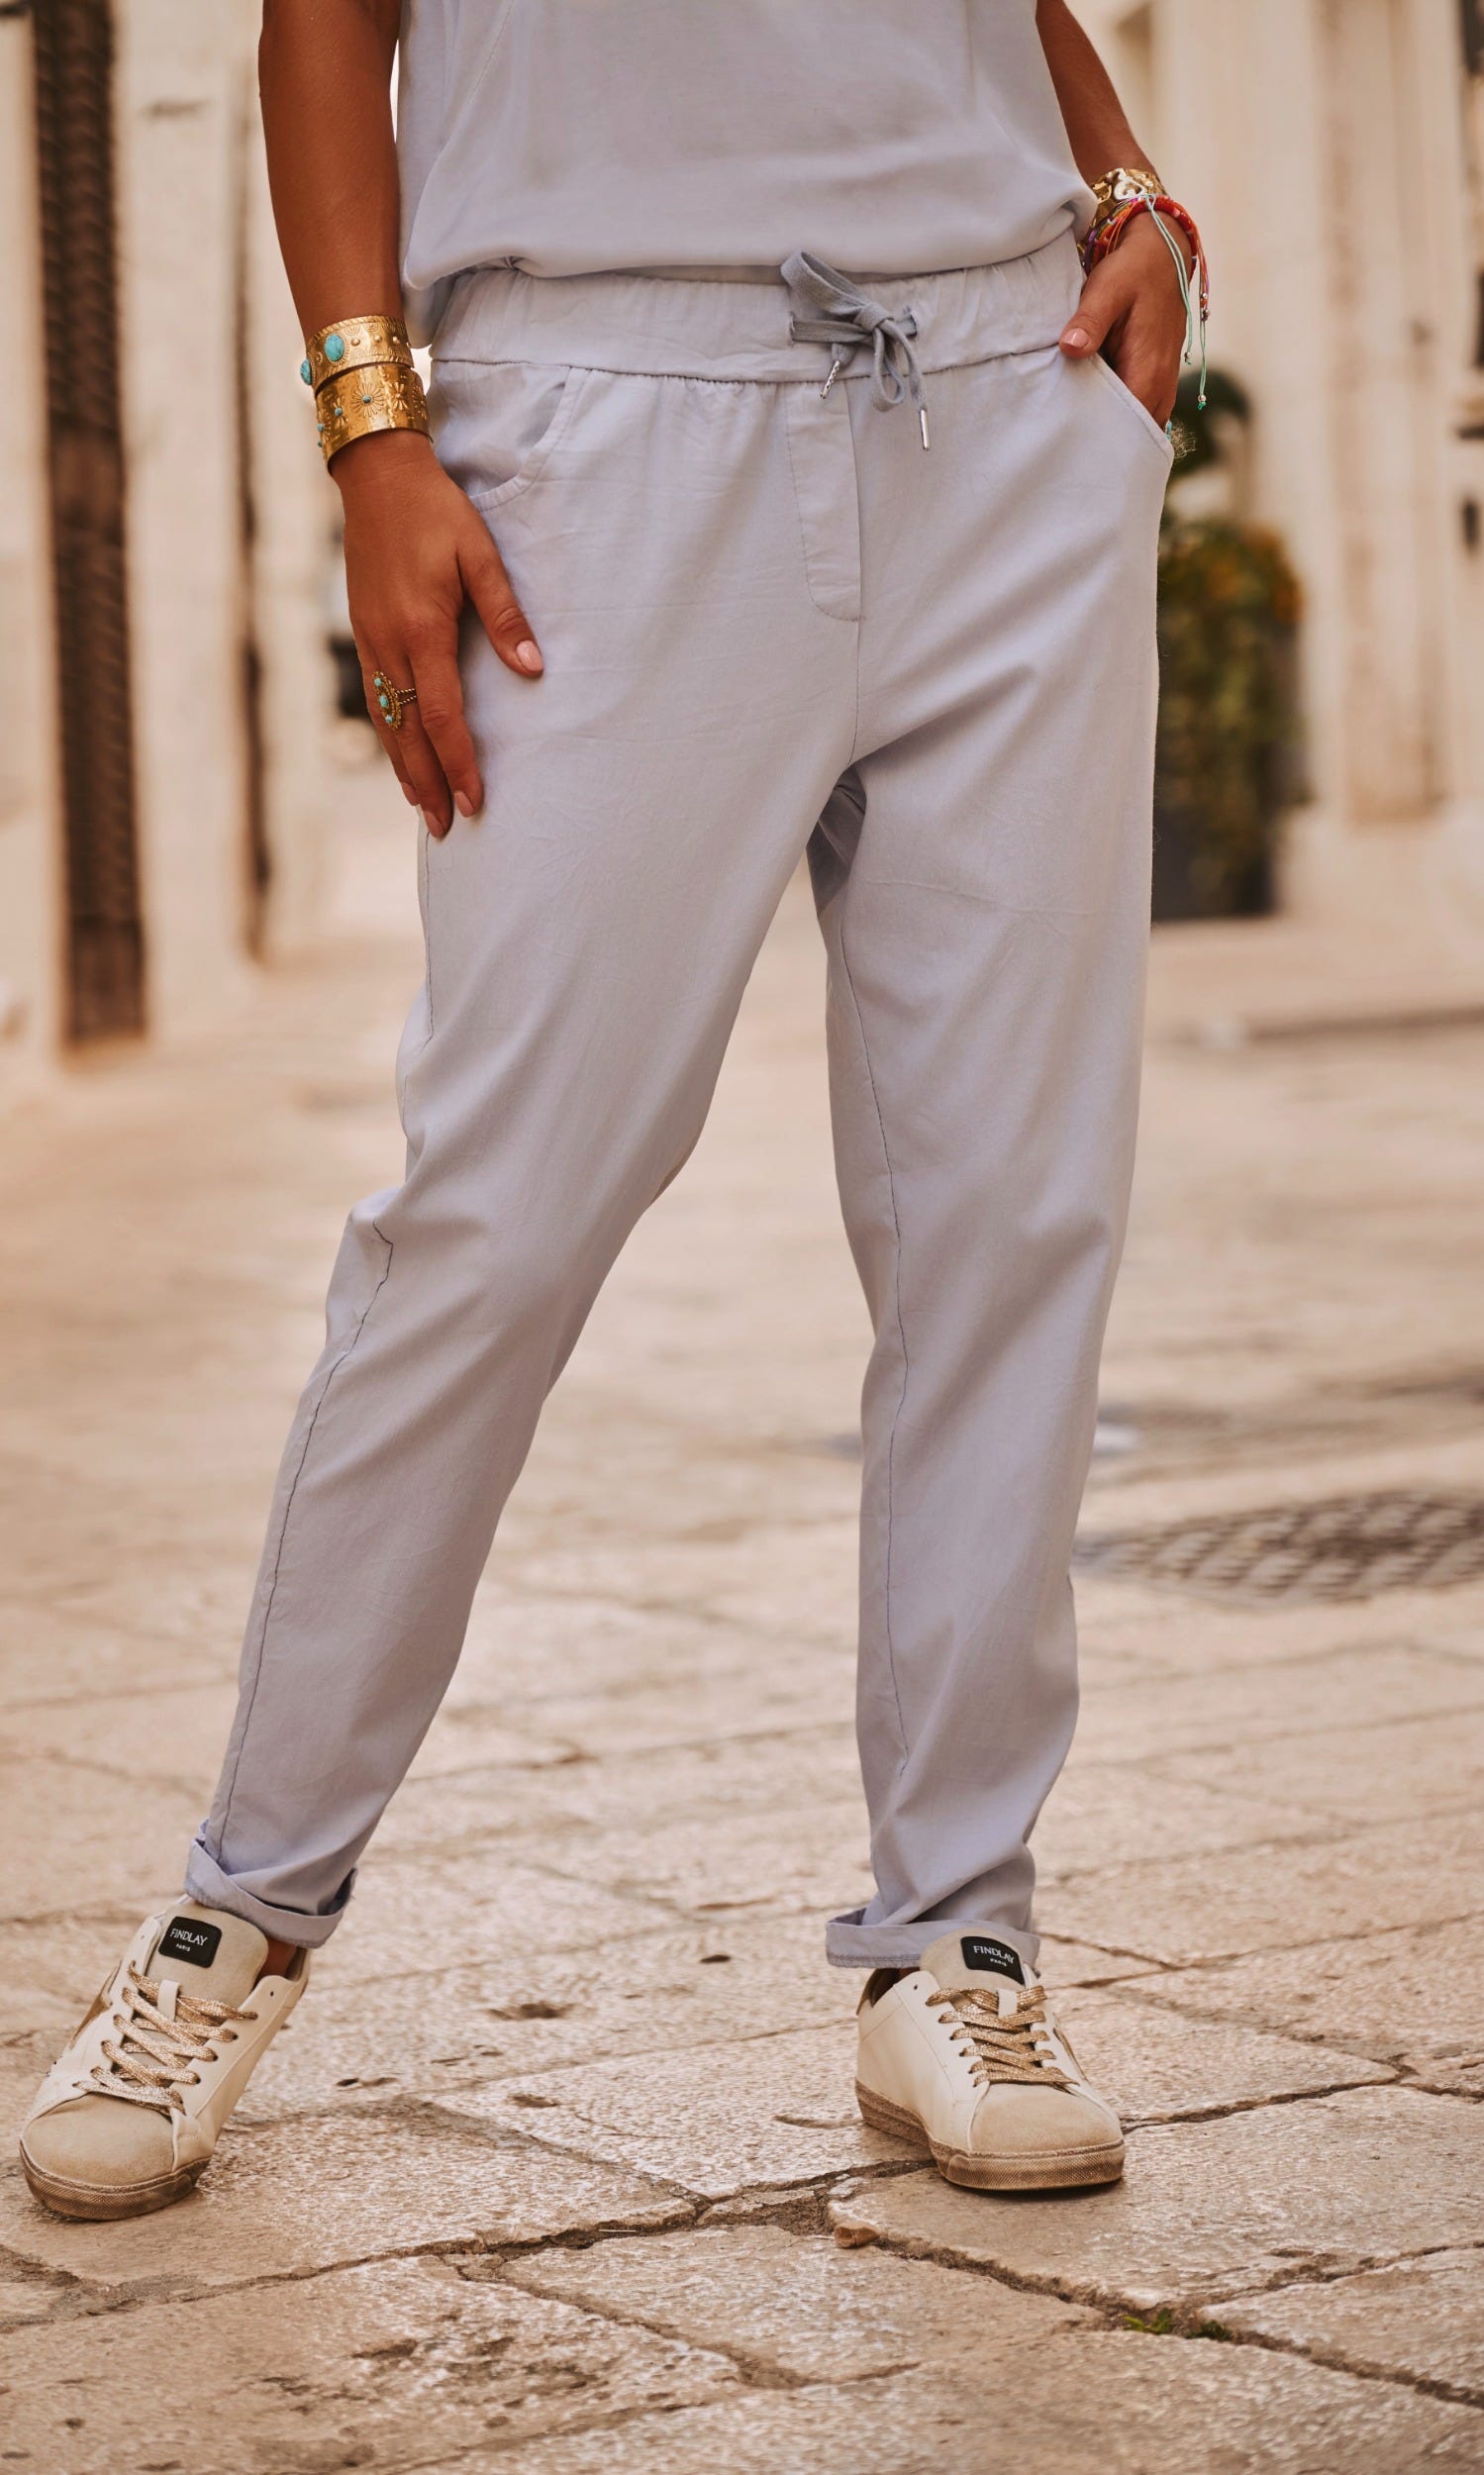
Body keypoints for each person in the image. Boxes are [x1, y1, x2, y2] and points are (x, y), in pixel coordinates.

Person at [22, 0, 1205, 2221]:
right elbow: (325, 21)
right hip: (597, 420)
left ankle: (957, 1936)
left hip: (1009, 392)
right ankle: (239, 1909)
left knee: (1012, 1210)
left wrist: (1124, 179)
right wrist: (374, 431)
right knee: (502, 1212)